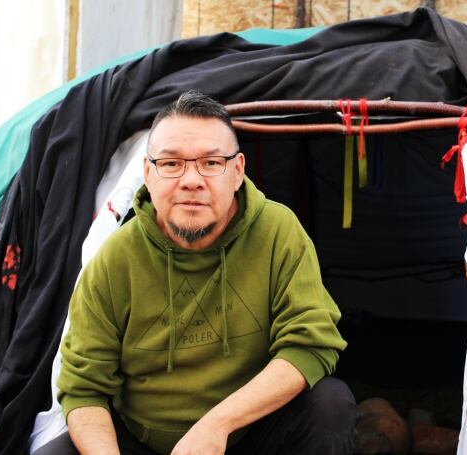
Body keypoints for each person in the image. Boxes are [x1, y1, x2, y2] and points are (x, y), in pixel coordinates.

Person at [36, 90, 358, 455]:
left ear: (237, 171)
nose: (191, 180)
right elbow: (83, 388)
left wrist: (217, 425)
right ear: (147, 173)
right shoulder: (114, 259)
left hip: (246, 435)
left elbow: (311, 344)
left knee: (330, 406)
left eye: (210, 163)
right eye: (171, 164)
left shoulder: (277, 231)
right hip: (142, 443)